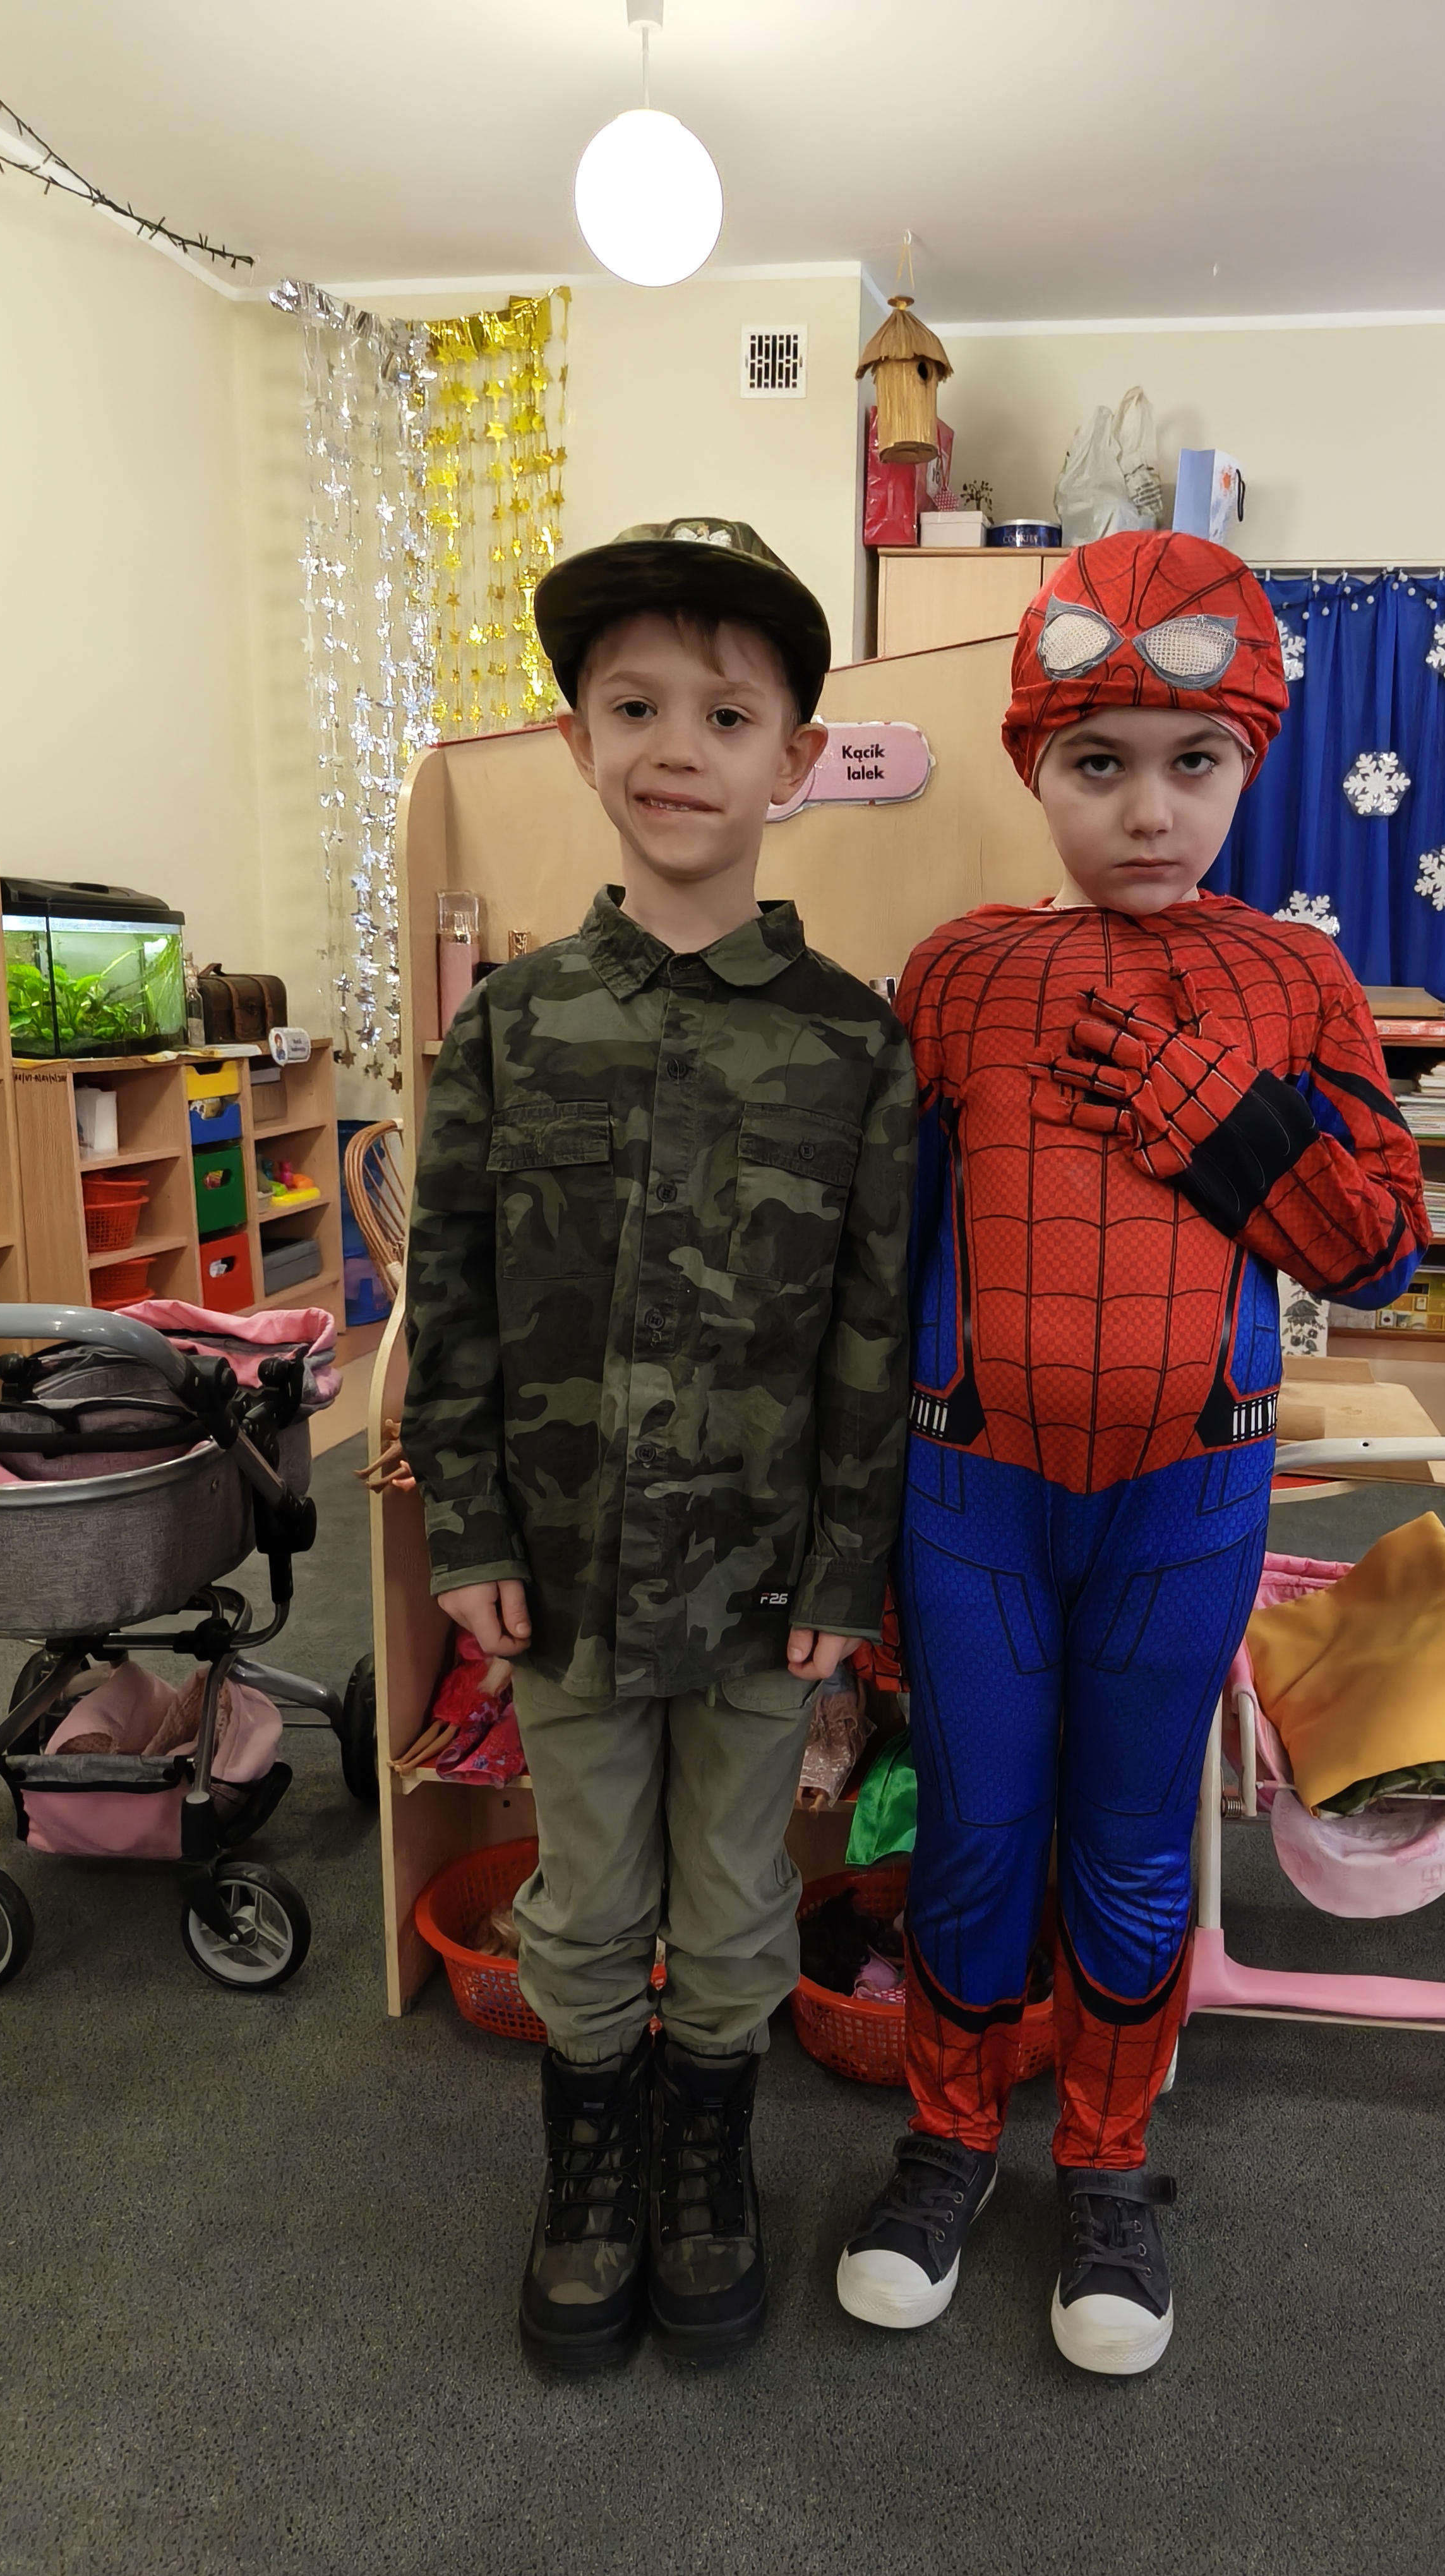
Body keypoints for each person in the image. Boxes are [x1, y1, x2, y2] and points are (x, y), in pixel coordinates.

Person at [834, 530, 1430, 2376]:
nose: (1148, 810)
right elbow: (881, 1264)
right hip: (973, 1494)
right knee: (975, 1833)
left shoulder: (1295, 982)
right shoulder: (954, 976)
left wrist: (1224, 1122)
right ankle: (950, 2141)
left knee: (1128, 1840)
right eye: (1099, 762)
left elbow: (1382, 1253)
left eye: (1195, 762)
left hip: (1187, 1492)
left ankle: (1104, 2160)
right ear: (1035, 763)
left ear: (1251, 766)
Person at [401, 519, 914, 2371]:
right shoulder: (513, 1026)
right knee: (588, 1892)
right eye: (633, 707)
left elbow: (874, 1334)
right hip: (563, 1568)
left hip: (767, 1577)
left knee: (738, 1897)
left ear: (798, 758)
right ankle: (593, 2166)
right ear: (575, 742)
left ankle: (710, 2158)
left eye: (726, 712)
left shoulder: (855, 1047)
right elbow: (449, 1289)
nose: (676, 746)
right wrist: (468, 1528)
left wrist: (847, 1567)